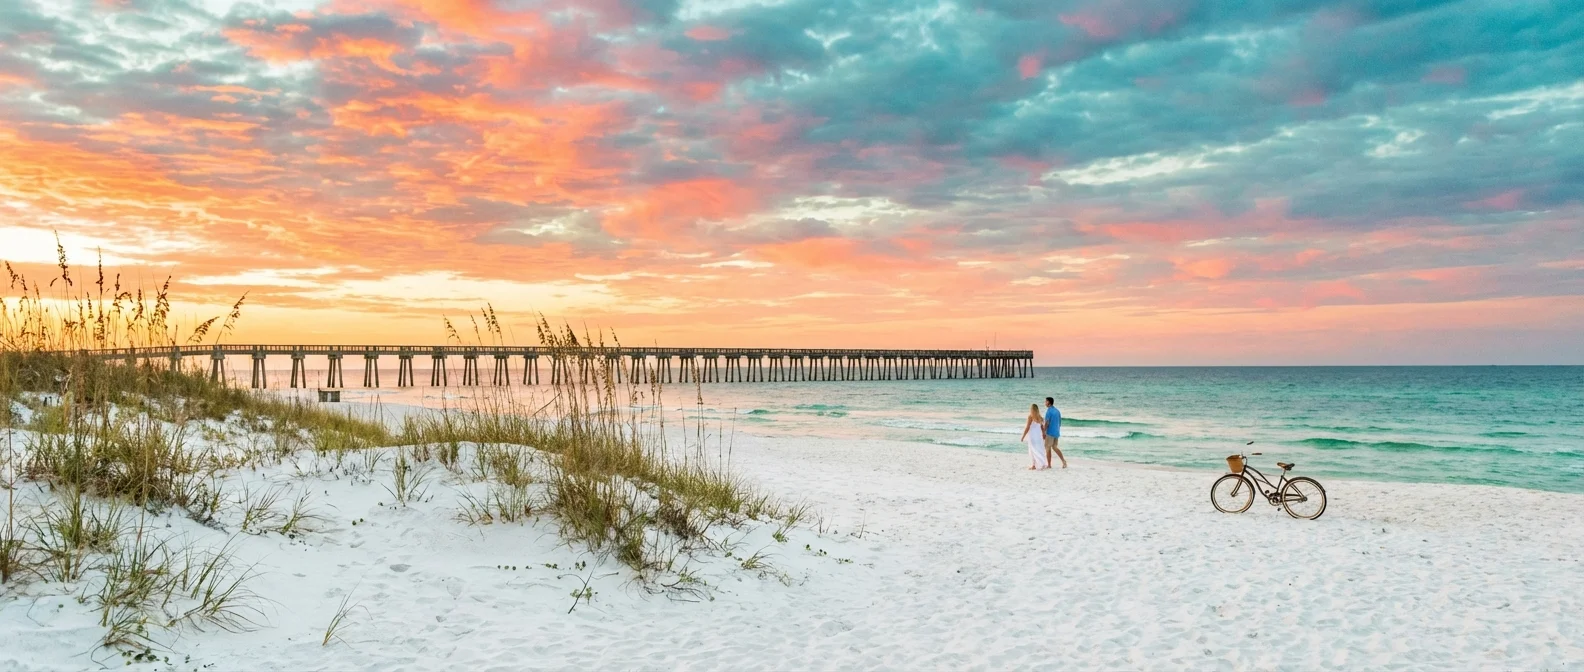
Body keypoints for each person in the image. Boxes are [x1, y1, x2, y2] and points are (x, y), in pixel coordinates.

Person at [1019, 403, 1049, 470]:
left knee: (1032, 450)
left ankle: (1034, 465)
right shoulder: (1040, 417)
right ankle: (1042, 464)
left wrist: (1023, 436)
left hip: (1032, 436)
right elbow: (1042, 428)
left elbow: (1027, 427)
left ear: (1032, 409)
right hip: (1039, 436)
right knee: (1040, 450)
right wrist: (1044, 434)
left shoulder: (1030, 416)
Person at [1044, 397, 1068, 469]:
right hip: (1056, 433)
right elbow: (1060, 423)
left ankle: (1049, 465)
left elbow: (1047, 423)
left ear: (1049, 402)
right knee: (1055, 447)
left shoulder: (1049, 411)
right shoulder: (1057, 411)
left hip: (1050, 433)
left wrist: (1043, 431)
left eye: (1046, 401)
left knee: (1048, 448)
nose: (1045, 403)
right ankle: (1063, 461)